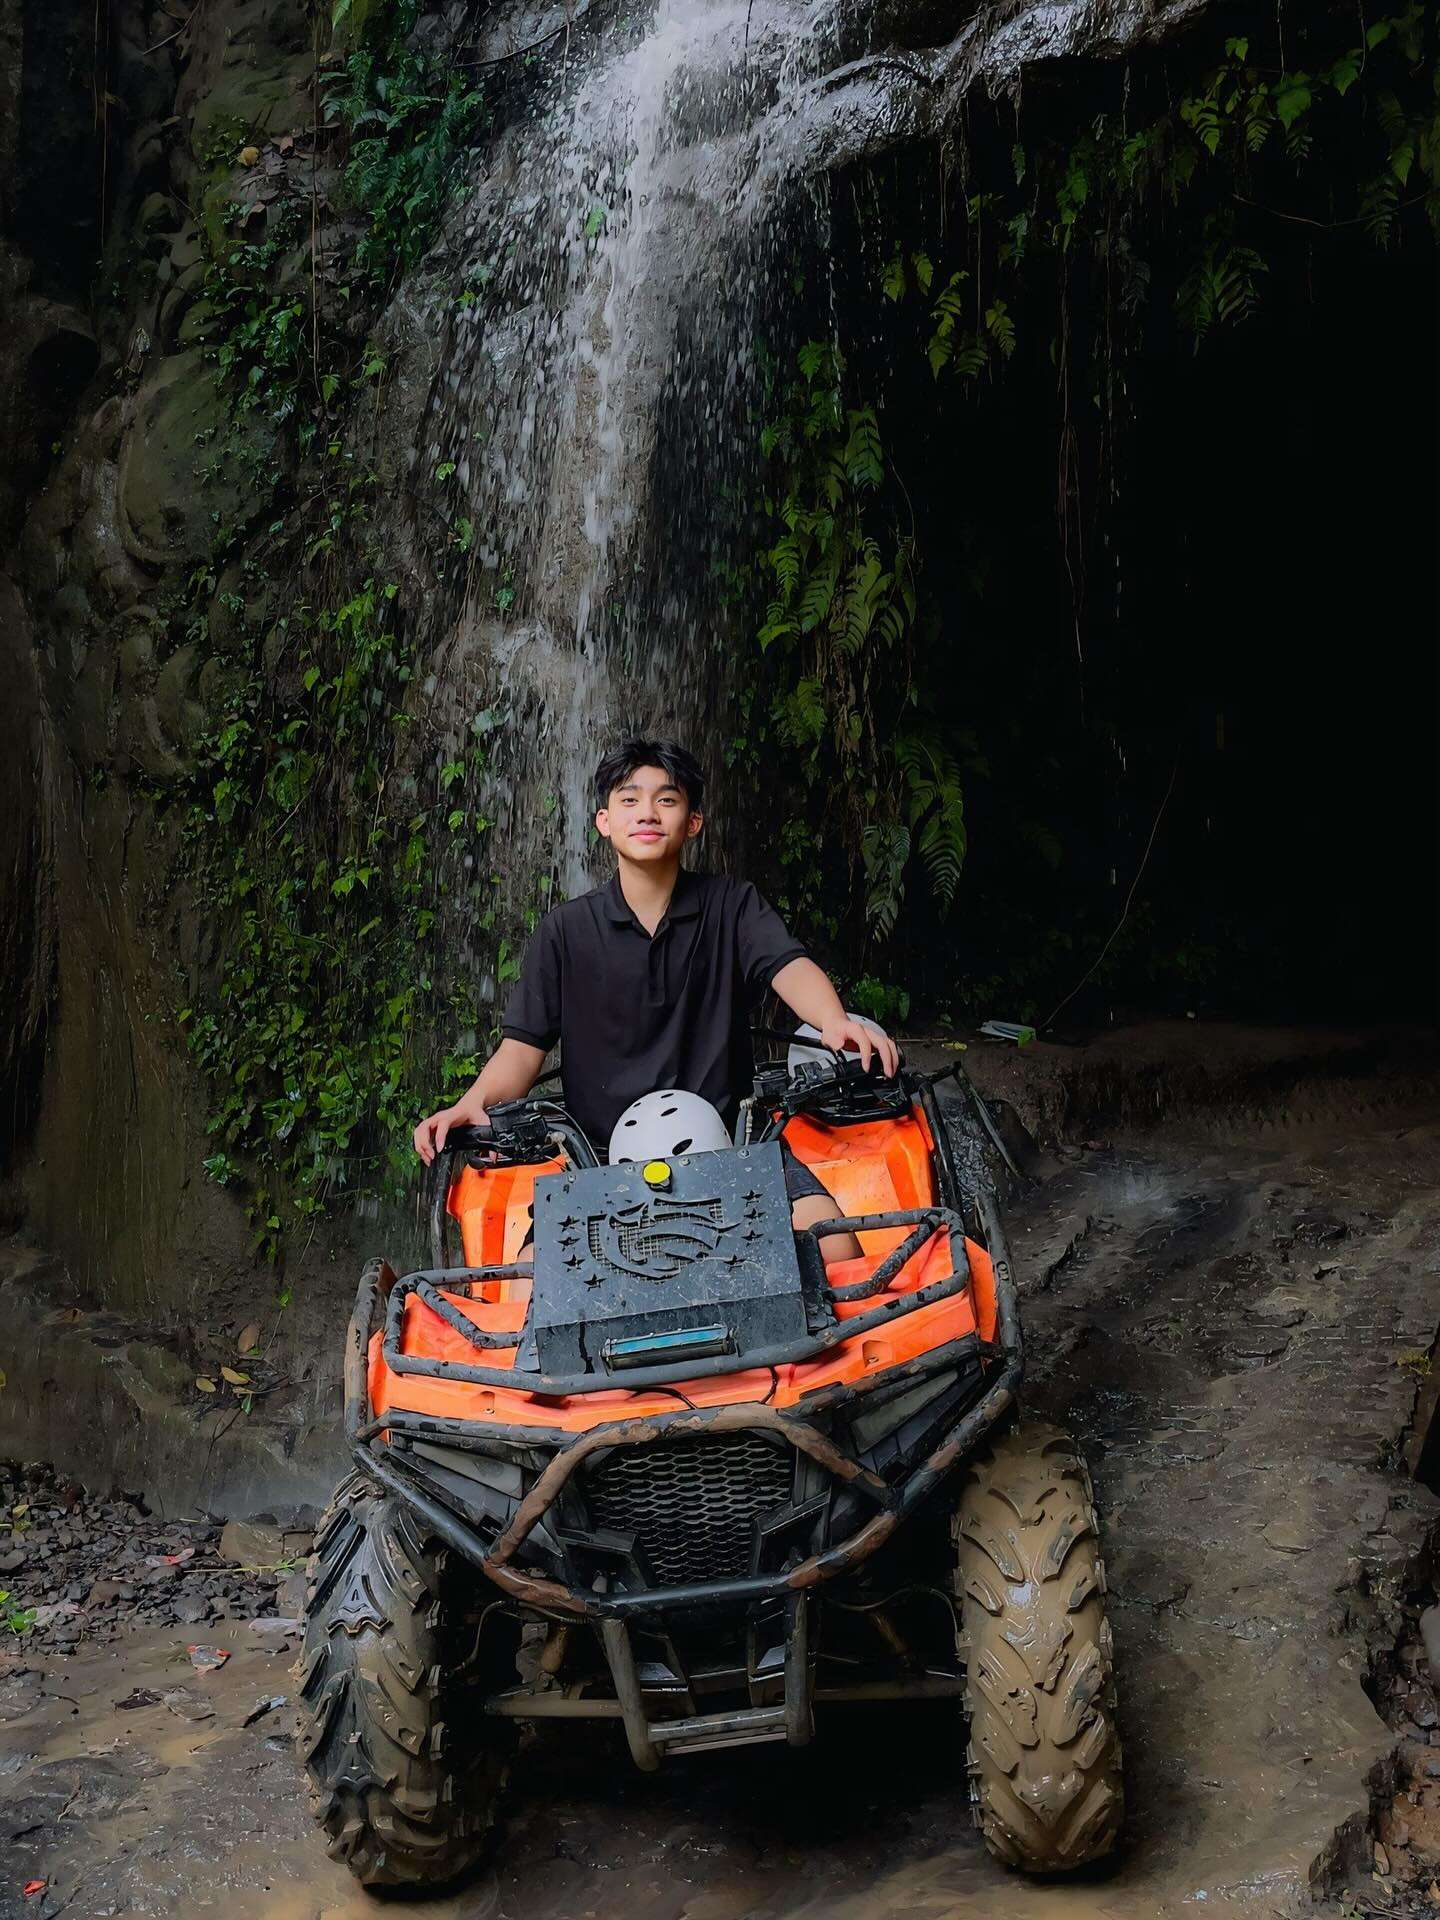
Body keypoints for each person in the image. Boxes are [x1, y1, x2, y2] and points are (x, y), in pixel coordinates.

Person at [413, 738, 899, 1258]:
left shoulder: (732, 905)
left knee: (835, 1249)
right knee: (536, 1283)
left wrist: (832, 1020)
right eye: (629, 799)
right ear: (604, 821)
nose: (647, 812)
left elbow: (788, 966)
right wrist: (472, 1103)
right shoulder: (565, 931)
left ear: (693, 822)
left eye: (666, 799)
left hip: (737, 1144)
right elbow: (521, 1050)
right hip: (598, 1163)